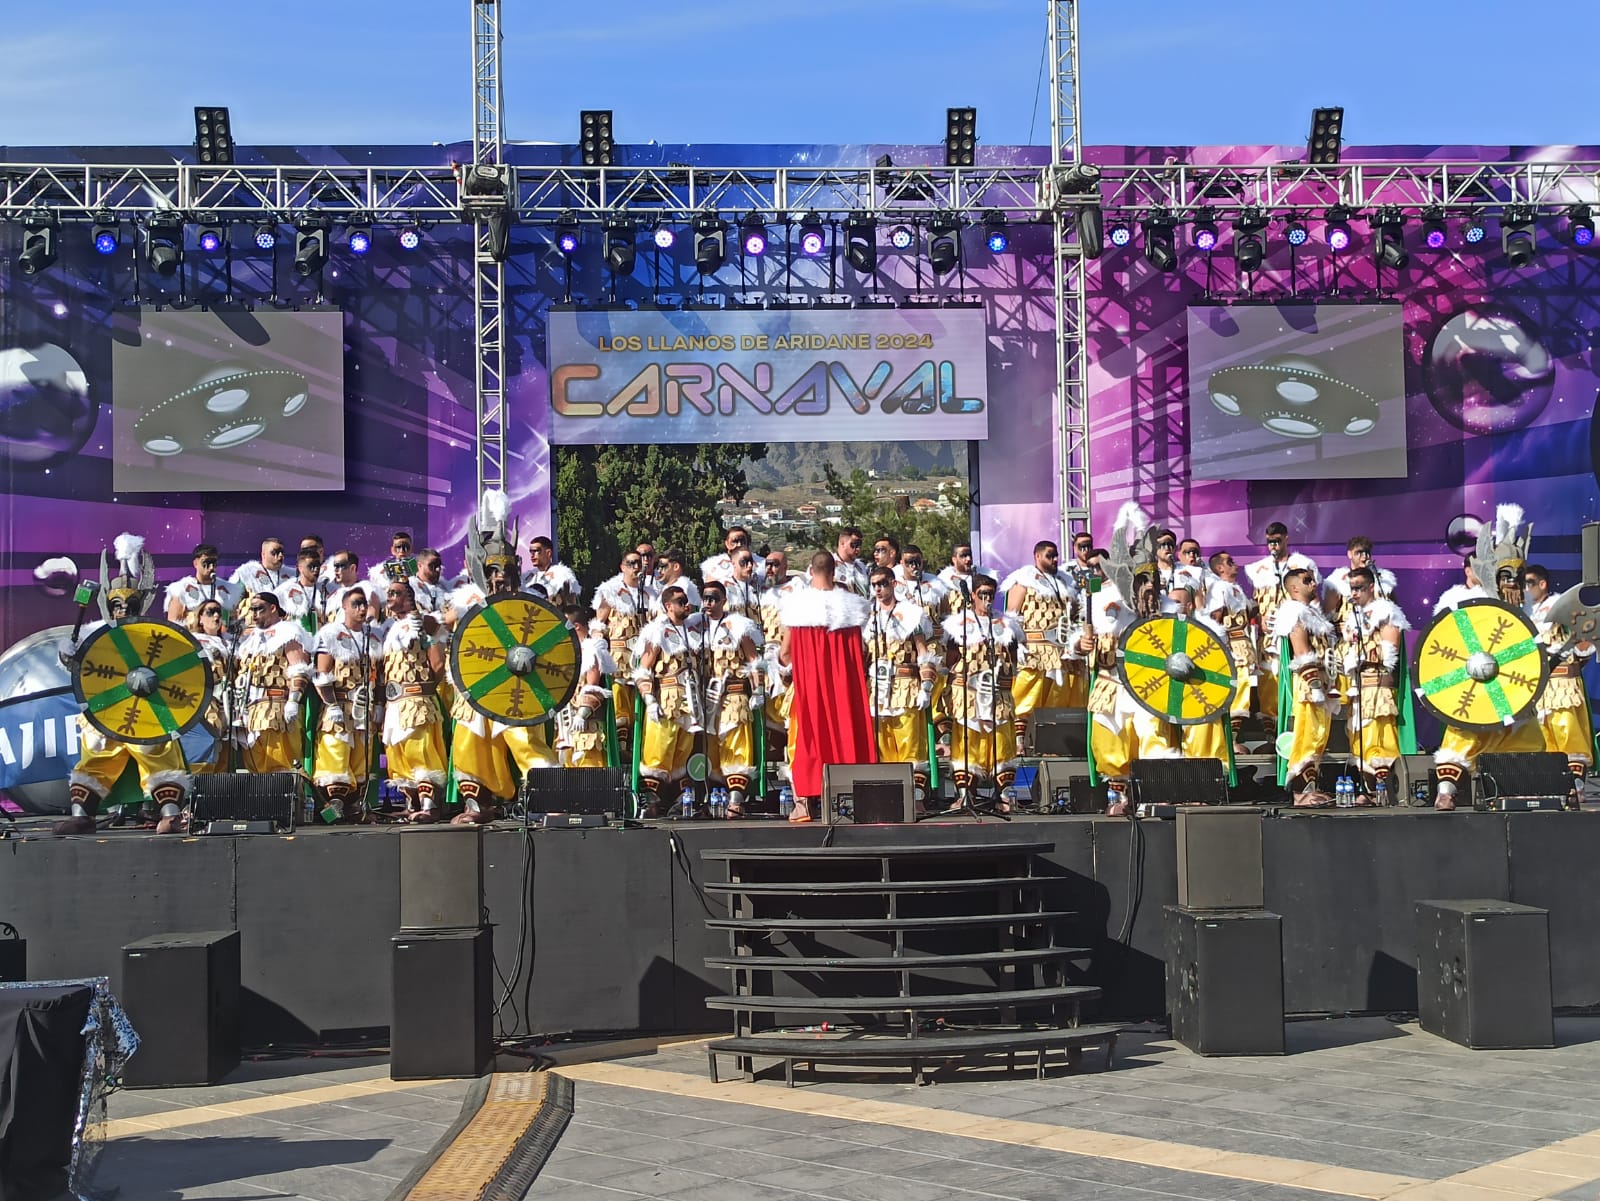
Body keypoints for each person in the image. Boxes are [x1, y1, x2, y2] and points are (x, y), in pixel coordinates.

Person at [55, 534, 193, 836]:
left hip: (147, 710)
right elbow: (81, 668)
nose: (123, 609)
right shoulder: (96, 635)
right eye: (116, 604)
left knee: (159, 755)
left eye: (130, 603)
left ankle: (170, 815)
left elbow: (181, 667)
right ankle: (83, 815)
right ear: (107, 604)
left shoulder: (155, 635)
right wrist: (68, 655)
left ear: (141, 603)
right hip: (106, 710)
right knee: (95, 758)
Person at [1431, 505, 1546, 811]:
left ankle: (1517, 791)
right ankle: (1446, 791)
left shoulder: (1527, 612)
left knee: (1528, 738)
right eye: (1506, 574)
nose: (1513, 582)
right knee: (1462, 736)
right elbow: (1449, 647)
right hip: (1476, 685)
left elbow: (1528, 652)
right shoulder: (1466, 604)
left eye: (1519, 576)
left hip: (1513, 689)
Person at [779, 552, 875, 822]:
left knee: (805, 739)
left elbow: (785, 654)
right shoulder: (852, 608)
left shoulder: (797, 607)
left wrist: (792, 671)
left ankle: (804, 804)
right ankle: (851, 800)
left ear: (810, 570)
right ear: (835, 572)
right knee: (847, 731)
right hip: (844, 688)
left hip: (809, 689)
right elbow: (863, 652)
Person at [941, 576, 1023, 810]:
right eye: (983, 594)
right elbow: (950, 660)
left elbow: (1013, 661)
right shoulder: (958, 625)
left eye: (991, 594)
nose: (987, 599)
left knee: (1001, 742)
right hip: (967, 694)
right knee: (967, 743)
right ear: (973, 595)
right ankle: (966, 793)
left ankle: (1004, 795)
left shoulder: (1007, 625)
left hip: (998, 692)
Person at [866, 567, 939, 810]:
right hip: (878, 688)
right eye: (874, 584)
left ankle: (915, 799)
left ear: (893, 583)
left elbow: (923, 651)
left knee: (910, 742)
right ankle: (889, 798)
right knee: (883, 744)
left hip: (905, 685)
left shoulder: (910, 613)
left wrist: (926, 685)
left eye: (882, 583)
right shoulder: (869, 616)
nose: (878, 589)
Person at [311, 589, 384, 823]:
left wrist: (379, 704)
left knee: (361, 760)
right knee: (336, 755)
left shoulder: (373, 637)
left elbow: (380, 675)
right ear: (345, 607)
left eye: (364, 604)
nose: (362, 609)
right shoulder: (331, 634)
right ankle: (332, 812)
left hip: (364, 707)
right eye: (356, 604)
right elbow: (322, 673)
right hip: (339, 705)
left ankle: (356, 808)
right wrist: (331, 705)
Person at [1338, 566, 1410, 800]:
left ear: (1371, 586)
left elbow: (1390, 652)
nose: (1355, 593)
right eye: (1352, 589)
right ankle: (1369, 791)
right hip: (1358, 686)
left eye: (1359, 587)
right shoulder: (1353, 617)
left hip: (1378, 686)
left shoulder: (1386, 610)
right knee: (1360, 739)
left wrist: (1361, 655)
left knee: (1379, 738)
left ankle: (1384, 791)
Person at [379, 580, 448, 823]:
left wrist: (425, 689)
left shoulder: (422, 622)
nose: (389, 597)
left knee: (421, 752)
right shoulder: (391, 627)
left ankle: (429, 806)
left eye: (395, 593)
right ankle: (412, 804)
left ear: (409, 597)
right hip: (395, 703)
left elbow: (437, 660)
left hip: (417, 700)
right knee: (398, 755)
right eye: (388, 593)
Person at [1523, 564, 1593, 800]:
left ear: (1542, 584)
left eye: (1529, 582)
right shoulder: (1522, 613)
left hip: (1562, 684)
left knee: (1568, 733)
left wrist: (1574, 658)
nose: (1524, 588)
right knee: (1541, 737)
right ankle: (1550, 787)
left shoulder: (1560, 607)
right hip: (1536, 686)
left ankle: (1576, 787)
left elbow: (1585, 647)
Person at [695, 582, 766, 817]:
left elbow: (753, 660)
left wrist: (758, 691)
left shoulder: (738, 626)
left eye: (714, 598)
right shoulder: (695, 627)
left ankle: (736, 799)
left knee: (736, 745)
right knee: (711, 749)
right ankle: (714, 798)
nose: (708, 602)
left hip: (735, 695)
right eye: (705, 598)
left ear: (724, 600)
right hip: (707, 699)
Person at [634, 585, 704, 813]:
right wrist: (649, 700)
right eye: (681, 601)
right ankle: (651, 802)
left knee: (684, 751)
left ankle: (680, 801)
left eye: (687, 601)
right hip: (666, 699)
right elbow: (643, 669)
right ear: (668, 606)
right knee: (659, 751)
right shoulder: (657, 631)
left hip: (690, 701)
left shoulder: (693, 630)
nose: (687, 605)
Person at [1002, 540, 1081, 740]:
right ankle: (1018, 741)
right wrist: (1017, 645)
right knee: (1027, 696)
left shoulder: (1065, 581)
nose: (1055, 559)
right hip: (1034, 649)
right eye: (1049, 555)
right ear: (1037, 556)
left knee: (1058, 701)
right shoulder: (1024, 580)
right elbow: (1011, 616)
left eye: (1056, 556)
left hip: (1061, 651)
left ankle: (1053, 743)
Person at [1243, 522, 1320, 723]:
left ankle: (1296, 730)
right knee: (1269, 685)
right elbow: (1255, 602)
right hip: (1268, 638)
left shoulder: (1303, 564)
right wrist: (1260, 620)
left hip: (1296, 633)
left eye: (1277, 541)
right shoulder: (1258, 569)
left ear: (1286, 539)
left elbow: (1314, 598)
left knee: (1296, 680)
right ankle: (1272, 739)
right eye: (1270, 542)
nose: (1273, 546)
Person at [1274, 568, 1337, 807]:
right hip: (1309, 684)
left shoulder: (1312, 612)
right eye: (1307, 581)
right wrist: (1314, 683)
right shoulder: (1294, 611)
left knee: (1319, 736)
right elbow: (1301, 650)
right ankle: (1301, 792)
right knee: (1307, 736)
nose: (1314, 584)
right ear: (1294, 588)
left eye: (1313, 579)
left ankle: (1311, 787)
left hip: (1321, 681)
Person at [234, 590, 315, 775]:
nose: (254, 614)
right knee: (255, 769)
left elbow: (299, 668)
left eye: (259, 609)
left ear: (273, 608)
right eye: (251, 609)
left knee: (281, 766)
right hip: (248, 712)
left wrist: (294, 701)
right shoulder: (248, 638)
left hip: (277, 707)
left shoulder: (288, 631)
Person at [593, 550, 660, 755]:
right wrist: (598, 645)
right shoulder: (611, 591)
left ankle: (637, 746)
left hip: (643, 656)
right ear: (622, 567)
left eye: (639, 563)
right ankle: (621, 748)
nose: (637, 567)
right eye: (631, 563)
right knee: (620, 703)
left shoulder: (650, 593)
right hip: (619, 656)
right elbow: (599, 623)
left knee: (640, 701)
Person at [1206, 550, 1258, 753]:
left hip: (1243, 647)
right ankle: (1230, 741)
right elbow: (1215, 617)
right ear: (1220, 568)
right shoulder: (1219, 587)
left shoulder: (1236, 588)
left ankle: (1231, 739)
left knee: (1243, 692)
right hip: (1231, 649)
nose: (1235, 564)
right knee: (1238, 692)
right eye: (1229, 562)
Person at [557, 606, 616, 771]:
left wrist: (582, 714)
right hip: (566, 723)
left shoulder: (591, 649)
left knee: (589, 771)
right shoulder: (567, 652)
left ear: (576, 626)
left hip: (586, 723)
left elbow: (593, 686)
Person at [165, 543, 241, 630]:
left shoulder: (228, 590)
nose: (211, 567)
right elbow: (173, 625)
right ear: (195, 564)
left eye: (214, 563)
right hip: (193, 639)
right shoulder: (181, 589)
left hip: (220, 640)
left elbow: (235, 622)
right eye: (206, 563)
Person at [1323, 535, 1395, 623]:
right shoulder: (1337, 582)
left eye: (1367, 552)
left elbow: (1393, 615)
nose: (1364, 557)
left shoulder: (1383, 581)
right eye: (1359, 553)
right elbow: (1327, 618)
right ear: (1350, 554)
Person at [230, 537, 294, 626]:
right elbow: (230, 602)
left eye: (282, 552)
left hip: (284, 628)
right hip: (254, 628)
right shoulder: (247, 574)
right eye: (275, 552)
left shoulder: (292, 576)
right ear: (263, 554)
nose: (280, 556)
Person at [525, 535, 580, 606]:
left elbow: (571, 606)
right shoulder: (527, 577)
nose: (532, 555)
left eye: (536, 551)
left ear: (548, 553)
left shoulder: (562, 574)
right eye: (531, 551)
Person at [410, 548, 451, 615]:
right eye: (432, 565)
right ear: (420, 566)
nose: (437, 569)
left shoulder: (447, 588)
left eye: (439, 565)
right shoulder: (409, 589)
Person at [832, 527, 870, 597]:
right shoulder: (828, 564)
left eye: (860, 545)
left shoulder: (862, 567)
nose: (858, 549)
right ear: (842, 543)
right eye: (854, 545)